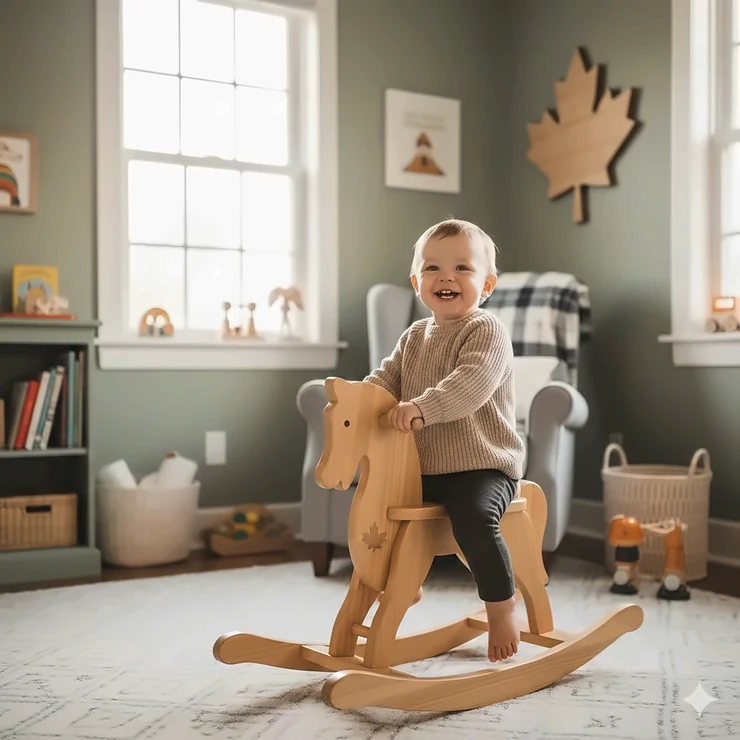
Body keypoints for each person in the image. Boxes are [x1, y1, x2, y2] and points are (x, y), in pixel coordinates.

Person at [364, 218, 526, 662]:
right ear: (417, 281)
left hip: (482, 465)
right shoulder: (414, 336)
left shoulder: (486, 331)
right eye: (432, 268)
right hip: (425, 467)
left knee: (474, 518)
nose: (446, 277)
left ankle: (501, 607)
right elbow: (385, 380)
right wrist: (356, 402)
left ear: (487, 284)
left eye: (462, 268)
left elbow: (470, 383)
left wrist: (419, 408)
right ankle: (402, 583)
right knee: (375, 505)